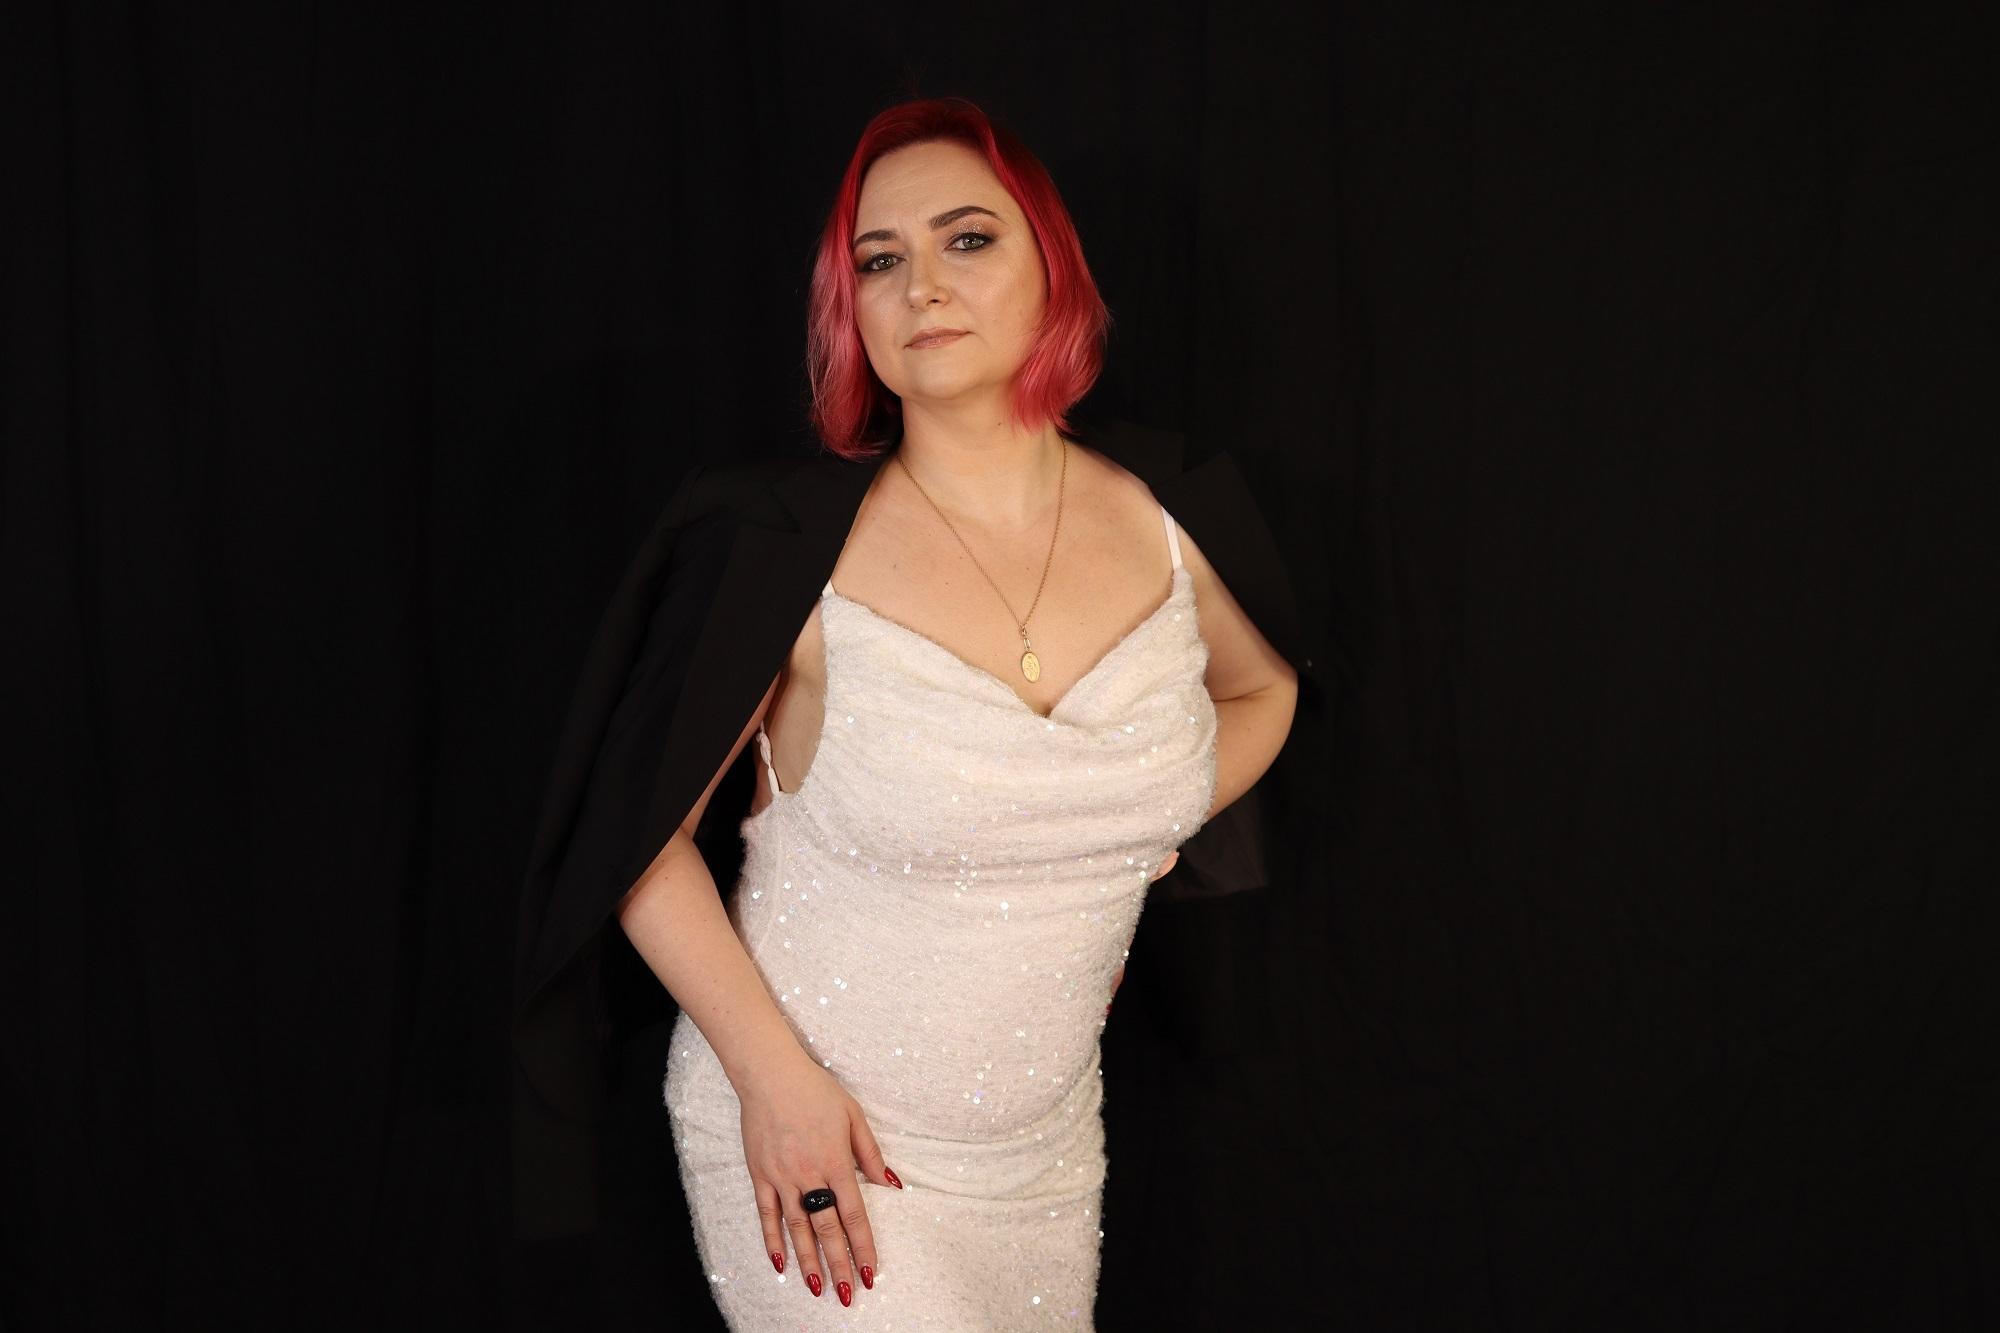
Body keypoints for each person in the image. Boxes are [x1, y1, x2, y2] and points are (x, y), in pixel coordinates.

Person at [612, 96, 1298, 1329]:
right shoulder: (780, 550)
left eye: (966, 239)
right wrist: (773, 1086)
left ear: (1053, 268)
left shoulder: (1168, 514)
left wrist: (1136, 822)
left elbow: (1265, 688)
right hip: (821, 1141)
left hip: (1041, 1157)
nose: (921, 285)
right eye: (879, 261)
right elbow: (638, 844)